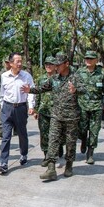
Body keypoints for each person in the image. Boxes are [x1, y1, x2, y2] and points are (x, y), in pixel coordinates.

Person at [22, 52, 83, 181]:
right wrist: (30, 90)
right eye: (56, 65)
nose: (56, 67)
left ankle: (69, 165)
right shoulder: (54, 78)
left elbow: (86, 91)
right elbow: (42, 88)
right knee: (53, 140)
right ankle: (51, 169)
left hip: (71, 117)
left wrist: (76, 90)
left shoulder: (76, 77)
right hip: (56, 115)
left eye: (59, 65)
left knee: (70, 143)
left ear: (66, 64)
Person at [0, 52, 35, 174]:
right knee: (6, 136)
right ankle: (3, 163)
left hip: (21, 108)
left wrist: (31, 106)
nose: (20, 63)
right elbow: (2, 94)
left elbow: (31, 91)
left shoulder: (26, 76)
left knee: (22, 134)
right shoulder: (4, 76)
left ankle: (24, 154)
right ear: (11, 63)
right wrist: (3, 107)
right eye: (17, 61)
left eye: (21, 61)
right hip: (7, 108)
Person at [76, 51, 104, 164]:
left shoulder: (102, 73)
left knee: (94, 131)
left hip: (96, 106)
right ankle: (83, 140)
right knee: (81, 129)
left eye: (91, 59)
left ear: (96, 60)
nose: (88, 60)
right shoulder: (79, 72)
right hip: (82, 106)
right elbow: (73, 88)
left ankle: (90, 153)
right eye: (87, 58)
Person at [34, 56, 63, 166]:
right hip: (43, 110)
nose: (48, 66)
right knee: (44, 134)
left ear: (56, 66)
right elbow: (38, 94)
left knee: (56, 135)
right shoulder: (41, 79)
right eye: (46, 64)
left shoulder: (60, 79)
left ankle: (58, 147)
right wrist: (36, 109)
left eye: (50, 64)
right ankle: (46, 155)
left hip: (56, 111)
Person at [0, 55, 17, 138]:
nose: (7, 64)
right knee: (3, 114)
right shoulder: (2, 73)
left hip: (15, 98)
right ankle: (2, 130)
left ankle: (16, 128)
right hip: (5, 96)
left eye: (8, 62)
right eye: (6, 62)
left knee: (15, 115)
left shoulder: (17, 72)